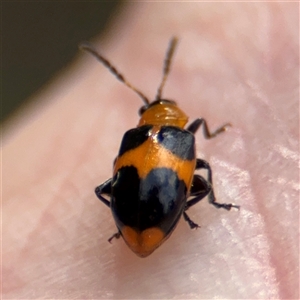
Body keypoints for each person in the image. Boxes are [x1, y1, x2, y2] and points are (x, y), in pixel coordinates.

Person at [3, 3, 298, 299]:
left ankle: (147, 223)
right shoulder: (181, 137)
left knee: (101, 189)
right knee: (203, 175)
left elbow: (117, 169)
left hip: (136, 217)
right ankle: (199, 207)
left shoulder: (133, 137)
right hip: (159, 213)